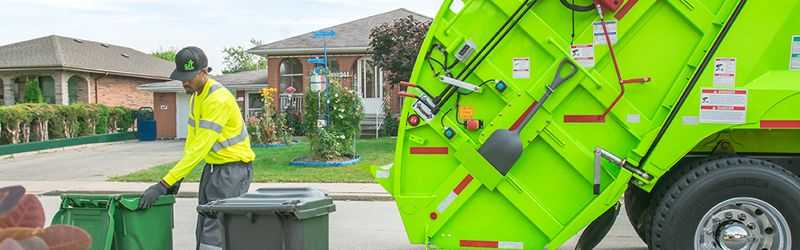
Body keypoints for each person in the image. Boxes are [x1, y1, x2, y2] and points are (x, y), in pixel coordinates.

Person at [138, 46, 255, 250]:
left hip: (232, 171)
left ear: (204, 72)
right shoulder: (196, 97)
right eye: (181, 76)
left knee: (216, 230)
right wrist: (179, 177)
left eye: (189, 76)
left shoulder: (217, 99)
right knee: (205, 222)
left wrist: (164, 184)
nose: (185, 81)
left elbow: (200, 149)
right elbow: (192, 143)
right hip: (213, 169)